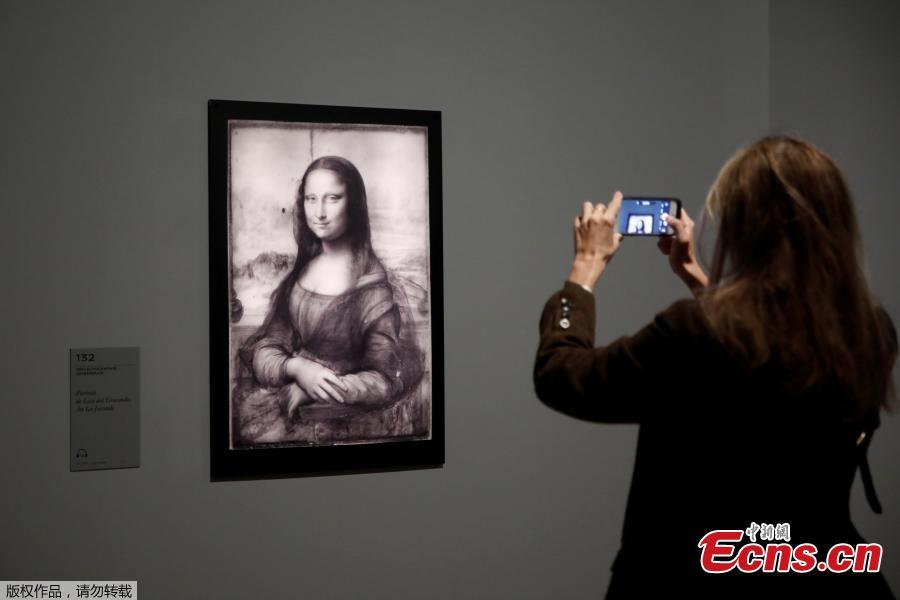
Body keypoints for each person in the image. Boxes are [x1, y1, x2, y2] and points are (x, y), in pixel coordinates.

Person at [533, 136, 896, 597]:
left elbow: (563, 376)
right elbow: (763, 353)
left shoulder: (693, 332)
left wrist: (584, 269)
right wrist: (697, 277)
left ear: (745, 228)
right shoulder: (871, 332)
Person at [234, 155, 424, 445]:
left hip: (348, 421)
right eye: (311, 199)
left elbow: (383, 380)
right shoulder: (299, 277)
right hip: (289, 409)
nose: (319, 212)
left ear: (354, 204)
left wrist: (315, 387)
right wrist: (296, 368)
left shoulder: (372, 288)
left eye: (332, 198)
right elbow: (266, 346)